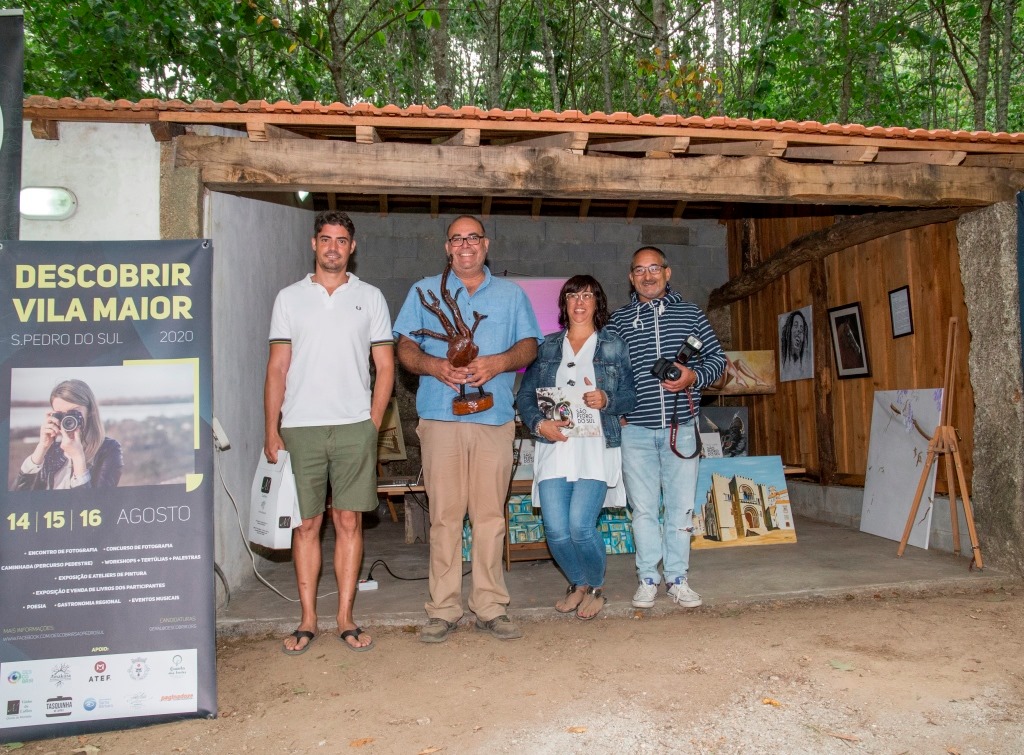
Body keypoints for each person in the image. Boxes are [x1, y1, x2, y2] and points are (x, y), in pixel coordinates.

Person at [394, 215, 541, 643]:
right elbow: (404, 345)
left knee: (490, 517)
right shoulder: (423, 291)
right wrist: (433, 365)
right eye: (456, 239)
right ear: (447, 247)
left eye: (472, 238)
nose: (464, 246)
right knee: (444, 517)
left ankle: (490, 606)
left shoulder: (511, 295)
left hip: (493, 420)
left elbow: (530, 344)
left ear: (486, 244)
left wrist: (496, 363)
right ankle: (443, 609)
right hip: (440, 417)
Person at [264, 210, 395, 655]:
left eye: (341, 240)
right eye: (326, 239)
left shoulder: (371, 297)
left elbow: (385, 366)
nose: (333, 247)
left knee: (348, 520)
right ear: (314, 244)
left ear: (351, 248)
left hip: (354, 425)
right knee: (306, 525)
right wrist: (272, 427)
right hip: (300, 427)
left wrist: (372, 425)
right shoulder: (289, 298)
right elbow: (277, 367)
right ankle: (306, 620)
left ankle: (345, 618)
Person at [607, 246, 725, 609]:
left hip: (682, 428)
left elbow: (718, 362)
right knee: (642, 509)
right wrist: (616, 411)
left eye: (654, 268)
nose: (647, 275)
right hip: (636, 432)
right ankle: (647, 578)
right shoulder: (618, 321)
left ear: (667, 272)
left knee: (680, 507)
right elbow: (607, 374)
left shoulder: (690, 314)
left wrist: (693, 376)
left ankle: (677, 578)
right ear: (631, 277)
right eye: (639, 270)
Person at [516, 276, 636, 621]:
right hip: (555, 447)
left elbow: (630, 395)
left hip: (596, 449)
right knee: (555, 528)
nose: (580, 302)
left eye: (587, 296)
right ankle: (577, 583)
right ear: (564, 303)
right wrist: (539, 424)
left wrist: (608, 399)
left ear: (598, 303)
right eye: (573, 295)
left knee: (580, 527)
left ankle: (596, 587)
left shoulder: (614, 345)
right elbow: (525, 395)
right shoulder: (547, 346)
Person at [14, 379, 123, 491]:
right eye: (60, 414)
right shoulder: (51, 449)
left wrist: (77, 457)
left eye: (74, 412)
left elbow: (96, 505)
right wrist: (42, 447)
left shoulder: (109, 449)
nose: (67, 419)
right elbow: (19, 498)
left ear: (90, 411)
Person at [779, 309, 812, 380]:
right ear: (789, 332)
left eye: (801, 328)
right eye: (796, 325)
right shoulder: (783, 370)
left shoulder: (804, 370)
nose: (799, 330)